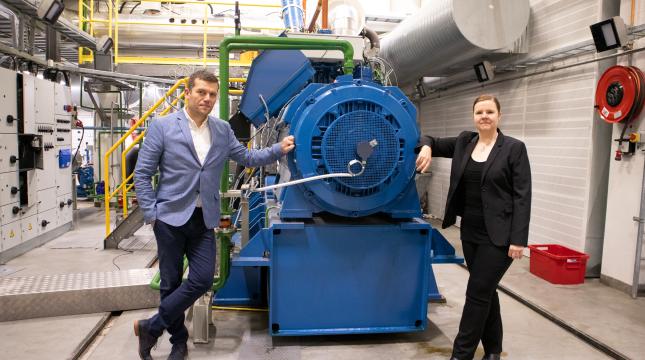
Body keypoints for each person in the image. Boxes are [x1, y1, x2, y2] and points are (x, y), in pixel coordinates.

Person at [133, 69, 295, 360]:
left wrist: (277, 149)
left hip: (204, 218)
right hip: (169, 218)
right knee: (169, 284)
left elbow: (246, 158)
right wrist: (151, 214)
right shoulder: (163, 126)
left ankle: (151, 326)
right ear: (188, 92)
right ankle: (179, 343)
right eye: (201, 92)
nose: (207, 99)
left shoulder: (221, 129)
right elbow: (142, 174)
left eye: (212, 94)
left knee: (203, 279)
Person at [415, 94, 531, 360]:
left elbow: (522, 196)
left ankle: (461, 354)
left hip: (500, 236)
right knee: (486, 289)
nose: (485, 116)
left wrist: (518, 239)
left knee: (477, 293)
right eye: (480, 112)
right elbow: (429, 139)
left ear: (499, 116)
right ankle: (493, 351)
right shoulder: (465, 142)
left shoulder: (514, 148)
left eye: (490, 112)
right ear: (474, 116)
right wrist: (426, 148)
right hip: (470, 232)